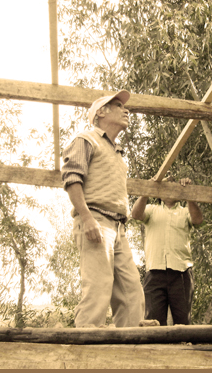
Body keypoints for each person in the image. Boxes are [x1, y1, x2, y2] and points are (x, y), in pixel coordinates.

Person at [61, 90, 144, 328]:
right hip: (96, 220)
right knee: (98, 288)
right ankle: (85, 353)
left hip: (118, 227)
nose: (125, 109)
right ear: (100, 113)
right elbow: (71, 178)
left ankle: (131, 351)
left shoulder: (116, 151)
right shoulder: (86, 139)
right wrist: (87, 218)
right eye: (118, 105)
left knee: (131, 292)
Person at [131, 176, 203, 326]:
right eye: (165, 187)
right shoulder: (152, 209)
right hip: (155, 272)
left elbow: (197, 220)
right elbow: (136, 214)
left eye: (173, 186)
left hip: (181, 273)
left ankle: (184, 349)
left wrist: (188, 194)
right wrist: (147, 190)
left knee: (183, 323)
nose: (169, 190)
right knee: (153, 323)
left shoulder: (184, 212)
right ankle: (155, 350)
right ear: (159, 193)